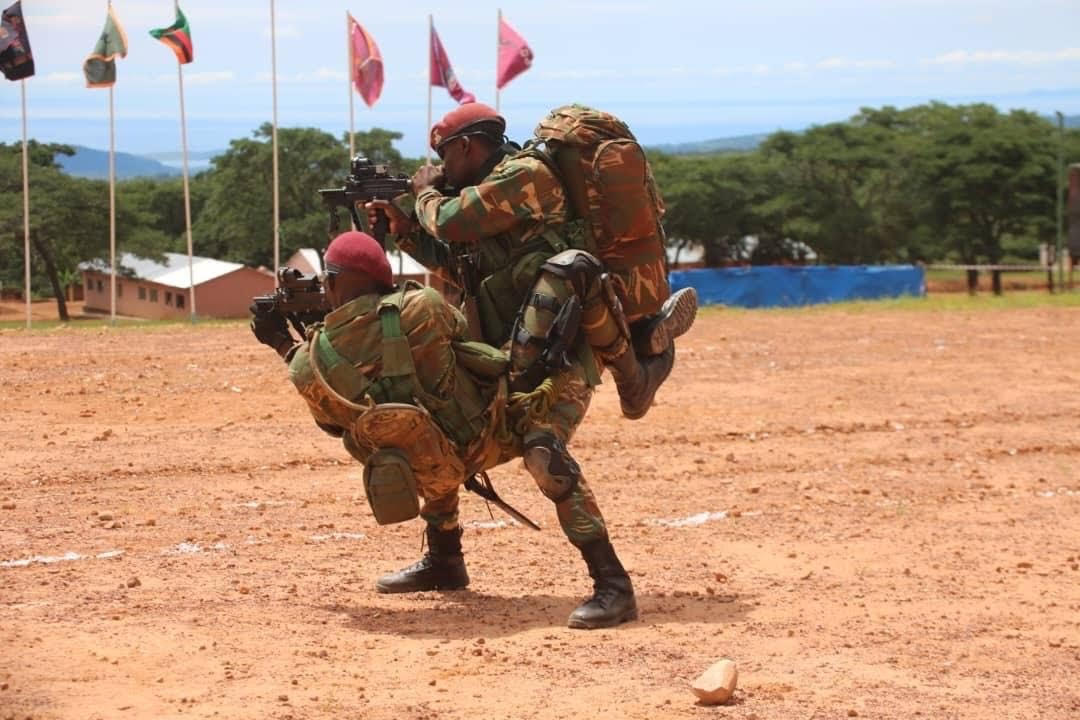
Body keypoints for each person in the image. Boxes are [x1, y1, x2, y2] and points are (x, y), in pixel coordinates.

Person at [251, 230, 640, 628]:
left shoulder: (308, 364)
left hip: (435, 466)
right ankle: (457, 564)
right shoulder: (424, 306)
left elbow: (333, 425)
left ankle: (609, 583)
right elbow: (467, 340)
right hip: (495, 430)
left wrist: (287, 342)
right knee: (523, 445)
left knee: (410, 430)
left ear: (332, 283)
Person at [365, 101, 697, 421]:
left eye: (444, 155)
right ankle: (645, 341)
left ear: (465, 146)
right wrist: (406, 231)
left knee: (534, 434)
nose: (442, 168)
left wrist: (424, 191)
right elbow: (462, 269)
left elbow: (448, 222)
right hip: (533, 317)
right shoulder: (496, 187)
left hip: (562, 319)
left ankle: (637, 372)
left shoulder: (524, 174)